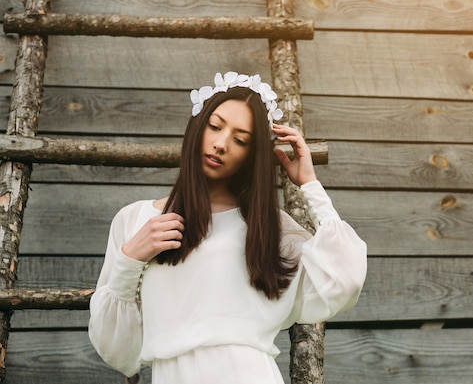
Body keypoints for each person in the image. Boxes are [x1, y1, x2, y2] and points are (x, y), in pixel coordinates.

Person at [88, 71, 368, 384]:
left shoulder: (267, 230)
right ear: (198, 127)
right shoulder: (136, 221)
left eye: (240, 140)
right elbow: (118, 351)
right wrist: (129, 260)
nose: (221, 144)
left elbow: (345, 280)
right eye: (215, 126)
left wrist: (311, 185)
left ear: (251, 156)